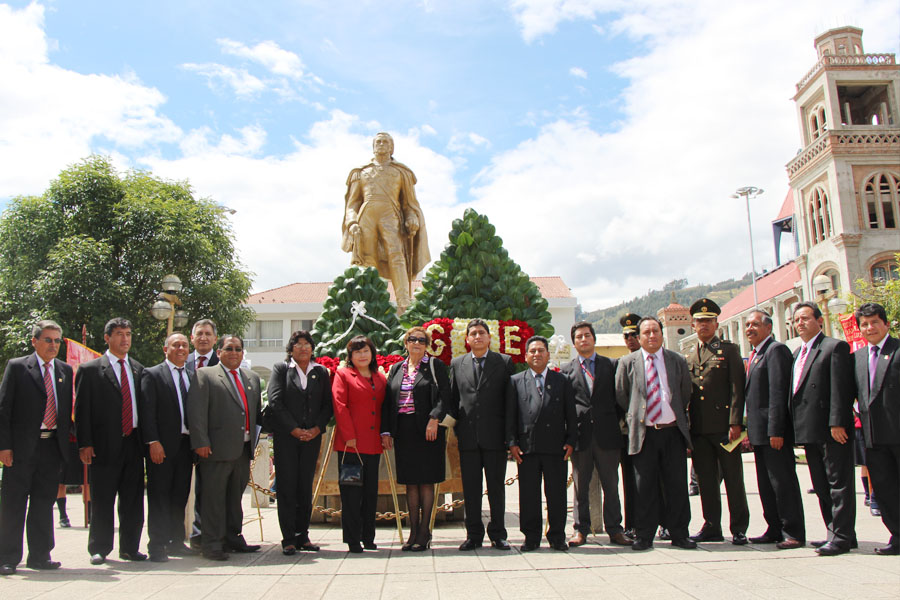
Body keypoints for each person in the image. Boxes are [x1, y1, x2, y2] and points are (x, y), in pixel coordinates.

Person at [615, 316, 696, 551]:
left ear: (661, 334)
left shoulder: (676, 360)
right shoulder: (627, 363)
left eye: (655, 331)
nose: (651, 336)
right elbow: (622, 395)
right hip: (644, 433)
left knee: (676, 485)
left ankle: (679, 533)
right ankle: (644, 535)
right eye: (646, 332)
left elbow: (685, 392)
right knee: (644, 486)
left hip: (672, 432)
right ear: (639, 337)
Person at [0, 321, 72, 575]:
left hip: (51, 447)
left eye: (57, 341)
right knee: (13, 503)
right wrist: (4, 446)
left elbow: (65, 411)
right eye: (48, 340)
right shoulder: (18, 367)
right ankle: (7, 557)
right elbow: (4, 409)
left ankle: (40, 556)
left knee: (43, 503)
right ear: (34, 341)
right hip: (20, 449)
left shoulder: (65, 370)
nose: (53, 345)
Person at [75, 317, 146, 565]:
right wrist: (84, 443)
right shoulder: (91, 370)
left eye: (128, 334)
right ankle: (99, 548)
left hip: (133, 443)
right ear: (107, 338)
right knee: (103, 499)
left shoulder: (138, 369)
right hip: (103, 445)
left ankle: (130, 548)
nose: (125, 339)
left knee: (133, 500)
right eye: (119, 334)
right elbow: (82, 410)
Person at [187, 334, 262, 561]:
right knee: (213, 500)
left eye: (238, 349)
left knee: (234, 499)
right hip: (215, 450)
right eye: (229, 348)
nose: (234, 353)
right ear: (219, 352)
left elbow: (256, 412)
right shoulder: (206, 375)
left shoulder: (252, 378)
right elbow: (197, 412)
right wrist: (201, 442)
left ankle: (233, 538)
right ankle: (211, 544)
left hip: (243, 449)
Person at [789, 301, 856, 556]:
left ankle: (842, 537)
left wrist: (837, 422)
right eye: (796, 320)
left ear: (819, 320)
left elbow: (841, 388)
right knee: (821, 485)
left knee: (839, 484)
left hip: (831, 429)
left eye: (805, 318)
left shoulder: (834, 347)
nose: (800, 323)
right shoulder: (798, 353)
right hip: (809, 429)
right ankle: (835, 531)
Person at [341, 132, 430, 313]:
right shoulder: (360, 172)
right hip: (366, 216)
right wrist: (352, 223)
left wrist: (412, 217)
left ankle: (404, 303)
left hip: (391, 215)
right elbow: (352, 204)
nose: (381, 144)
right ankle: (368, 302)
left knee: (397, 256)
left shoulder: (401, 172)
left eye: (385, 142)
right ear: (373, 146)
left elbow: (409, 203)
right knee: (367, 259)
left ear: (391, 147)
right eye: (378, 142)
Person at [684, 298, 749, 545]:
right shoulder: (690, 356)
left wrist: (736, 423)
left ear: (716, 324)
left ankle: (739, 527)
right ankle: (711, 526)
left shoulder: (729, 351)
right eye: (700, 321)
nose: (704, 325)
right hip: (700, 429)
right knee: (706, 481)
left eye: (708, 321)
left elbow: (737, 389)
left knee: (733, 479)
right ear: (693, 325)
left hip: (725, 428)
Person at [447, 319, 515, 551]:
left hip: (495, 438)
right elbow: (453, 400)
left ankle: (498, 534)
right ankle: (473, 535)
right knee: (471, 490)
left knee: (496, 488)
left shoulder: (503, 362)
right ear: (467, 339)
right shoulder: (457, 364)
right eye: (473, 333)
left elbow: (510, 403)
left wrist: (509, 437)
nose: (477, 336)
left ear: (489, 337)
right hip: (468, 438)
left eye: (481, 333)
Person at [562, 321, 630, 547]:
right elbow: (566, 406)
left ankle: (615, 529)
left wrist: (611, 420)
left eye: (587, 335)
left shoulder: (611, 365)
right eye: (579, 337)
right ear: (574, 343)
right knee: (580, 487)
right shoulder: (567, 370)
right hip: (581, 437)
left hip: (607, 435)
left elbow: (620, 398)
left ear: (594, 339)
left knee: (611, 485)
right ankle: (580, 530)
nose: (583, 339)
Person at [382, 326, 450, 551]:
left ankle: (424, 532)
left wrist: (434, 418)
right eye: (413, 339)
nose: (417, 343)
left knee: (426, 481)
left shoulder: (435, 366)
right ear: (406, 343)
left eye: (422, 340)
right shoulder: (396, 368)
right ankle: (412, 531)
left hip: (428, 430)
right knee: (410, 482)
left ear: (427, 345)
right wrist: (387, 431)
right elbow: (388, 402)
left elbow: (445, 397)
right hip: (404, 431)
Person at [267, 330, 333, 555]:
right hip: (287, 438)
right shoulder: (281, 369)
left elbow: (327, 404)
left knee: (305, 486)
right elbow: (275, 401)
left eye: (307, 344)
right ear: (291, 348)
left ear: (312, 348)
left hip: (311, 438)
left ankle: (303, 535)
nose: (303, 348)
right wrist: (294, 429)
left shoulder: (320, 371)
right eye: (298, 344)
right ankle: (288, 538)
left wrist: (316, 429)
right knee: (287, 486)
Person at [743, 310, 805, 549]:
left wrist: (776, 430)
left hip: (773, 434)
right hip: (760, 434)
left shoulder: (776, 350)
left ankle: (793, 531)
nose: (750, 328)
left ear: (768, 328)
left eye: (755, 324)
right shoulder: (756, 354)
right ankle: (774, 528)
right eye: (747, 325)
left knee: (782, 483)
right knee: (766, 485)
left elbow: (778, 393)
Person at [508, 336, 577, 552]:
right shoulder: (516, 381)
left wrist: (571, 440)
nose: (537, 354)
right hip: (527, 447)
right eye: (533, 351)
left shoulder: (561, 380)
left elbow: (571, 413)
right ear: (526, 356)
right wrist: (512, 442)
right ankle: (531, 537)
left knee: (556, 494)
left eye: (541, 351)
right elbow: (511, 415)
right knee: (529, 494)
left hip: (556, 447)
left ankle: (557, 536)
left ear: (548, 355)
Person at [139, 332, 197, 562]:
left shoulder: (193, 375)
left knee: (179, 496)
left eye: (184, 345)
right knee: (159, 497)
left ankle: (176, 542)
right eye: (176, 345)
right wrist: (153, 442)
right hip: (161, 447)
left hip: (186, 446)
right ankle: (157, 545)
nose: (181, 349)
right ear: (166, 349)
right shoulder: (152, 374)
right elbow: (147, 411)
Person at [332, 335, 387, 553]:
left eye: (365, 351)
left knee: (370, 493)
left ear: (372, 353)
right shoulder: (343, 374)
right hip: (351, 444)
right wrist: (349, 435)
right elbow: (339, 405)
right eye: (357, 352)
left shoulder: (380, 377)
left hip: (373, 444)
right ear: (350, 356)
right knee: (351, 493)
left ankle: (368, 537)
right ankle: (353, 539)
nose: (362, 355)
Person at [852, 302, 898, 556]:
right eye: (864, 324)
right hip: (873, 438)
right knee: (884, 489)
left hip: (897, 434)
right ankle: (897, 536)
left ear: (886, 324)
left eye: (874, 323)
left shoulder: (897, 350)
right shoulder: (858, 357)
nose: (869, 328)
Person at [185, 319, 218, 550]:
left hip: (212, 439)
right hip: (182, 436)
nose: (203, 338)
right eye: (199, 334)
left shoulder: (224, 361)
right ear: (192, 337)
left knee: (209, 490)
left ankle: (205, 535)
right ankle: (178, 537)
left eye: (208, 334)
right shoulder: (182, 360)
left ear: (215, 338)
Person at [619, 313, 641, 539]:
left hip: (655, 428)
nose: (631, 339)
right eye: (626, 336)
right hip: (630, 431)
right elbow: (620, 396)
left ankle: (664, 523)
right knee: (630, 481)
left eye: (634, 334)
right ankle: (632, 523)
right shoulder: (623, 363)